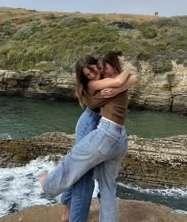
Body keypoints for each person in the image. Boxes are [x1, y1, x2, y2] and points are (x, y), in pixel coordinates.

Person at [40, 51, 138, 222]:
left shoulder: (107, 83)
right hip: (103, 128)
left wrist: (119, 85)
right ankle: (68, 210)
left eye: (96, 69)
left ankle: (49, 186)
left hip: (107, 132)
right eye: (89, 74)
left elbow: (128, 79)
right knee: (85, 176)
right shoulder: (93, 86)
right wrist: (120, 85)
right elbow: (119, 84)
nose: (94, 74)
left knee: (76, 166)